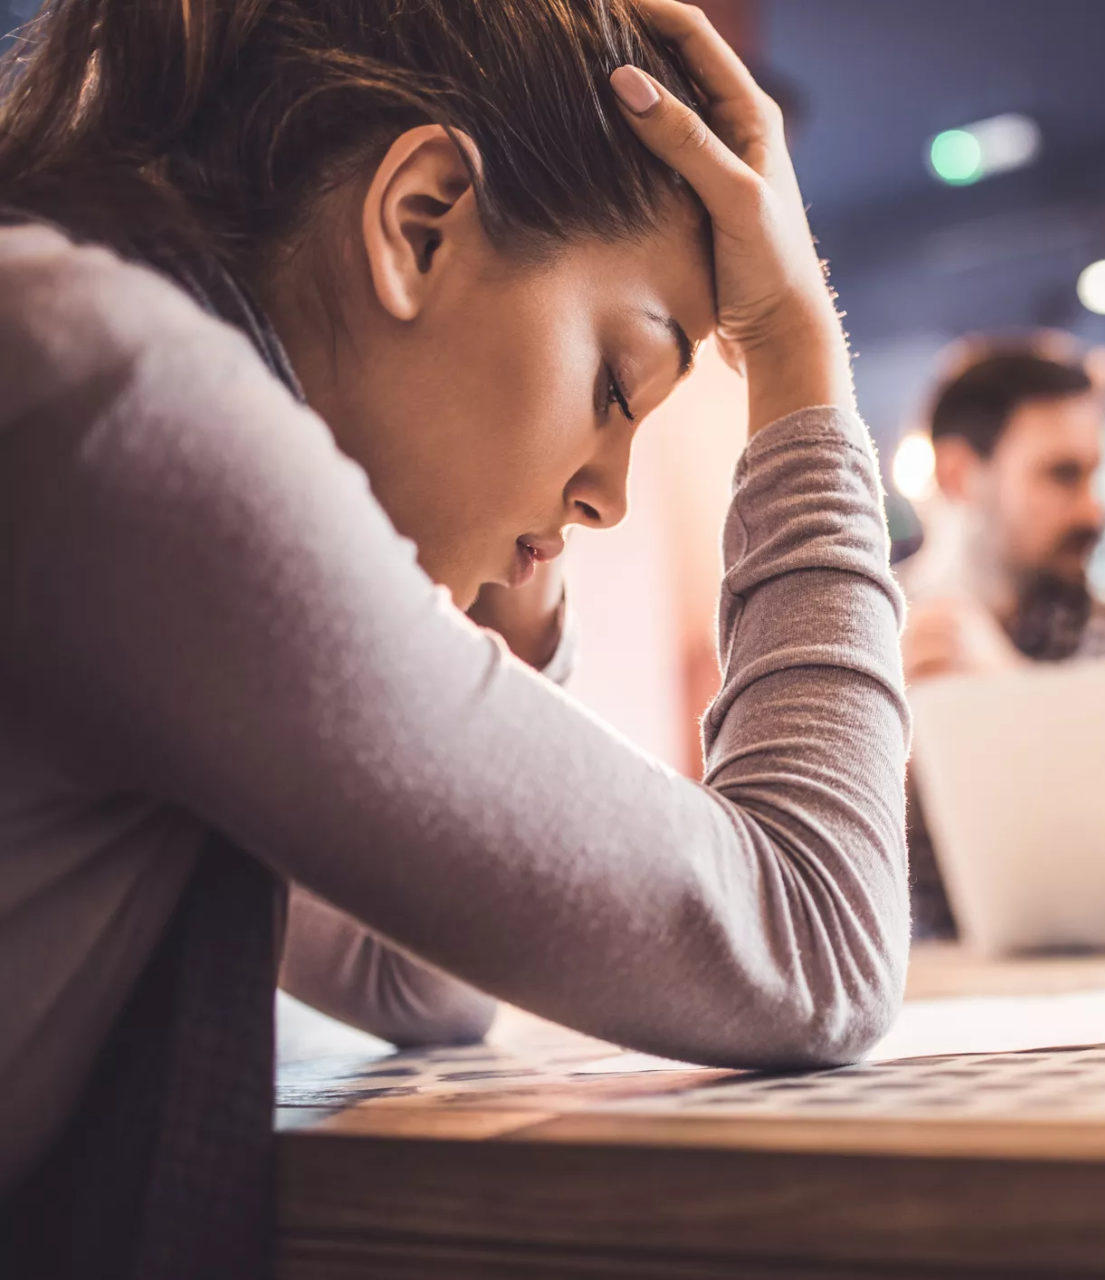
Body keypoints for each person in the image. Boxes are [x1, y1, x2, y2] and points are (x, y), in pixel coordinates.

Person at [0, 1, 910, 1272]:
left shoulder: (69, 333)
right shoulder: (128, 399)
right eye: (614, 384)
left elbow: (415, 979)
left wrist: (517, 574)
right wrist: (801, 366)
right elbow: (814, 941)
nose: (610, 495)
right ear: (421, 223)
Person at [898, 338, 1105, 938]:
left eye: (1094, 474)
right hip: (911, 995)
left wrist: (1005, 697)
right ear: (958, 476)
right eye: (1063, 475)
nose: (1093, 510)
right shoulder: (861, 638)